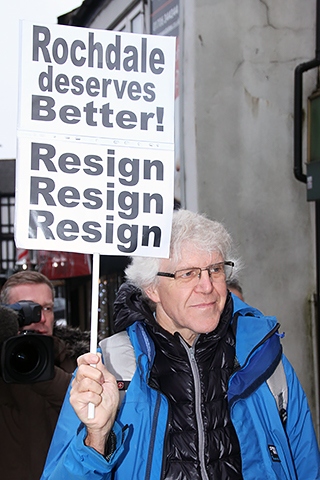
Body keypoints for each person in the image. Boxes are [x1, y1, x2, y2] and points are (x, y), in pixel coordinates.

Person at [42, 210, 320, 479]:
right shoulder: (108, 368)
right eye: (188, 274)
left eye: (215, 269)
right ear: (151, 288)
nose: (207, 286)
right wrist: (96, 440)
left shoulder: (263, 358)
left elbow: (306, 465)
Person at [0, 270, 90, 480]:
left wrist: (41, 369)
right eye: (24, 309)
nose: (39, 317)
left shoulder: (79, 360)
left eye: (47, 308)